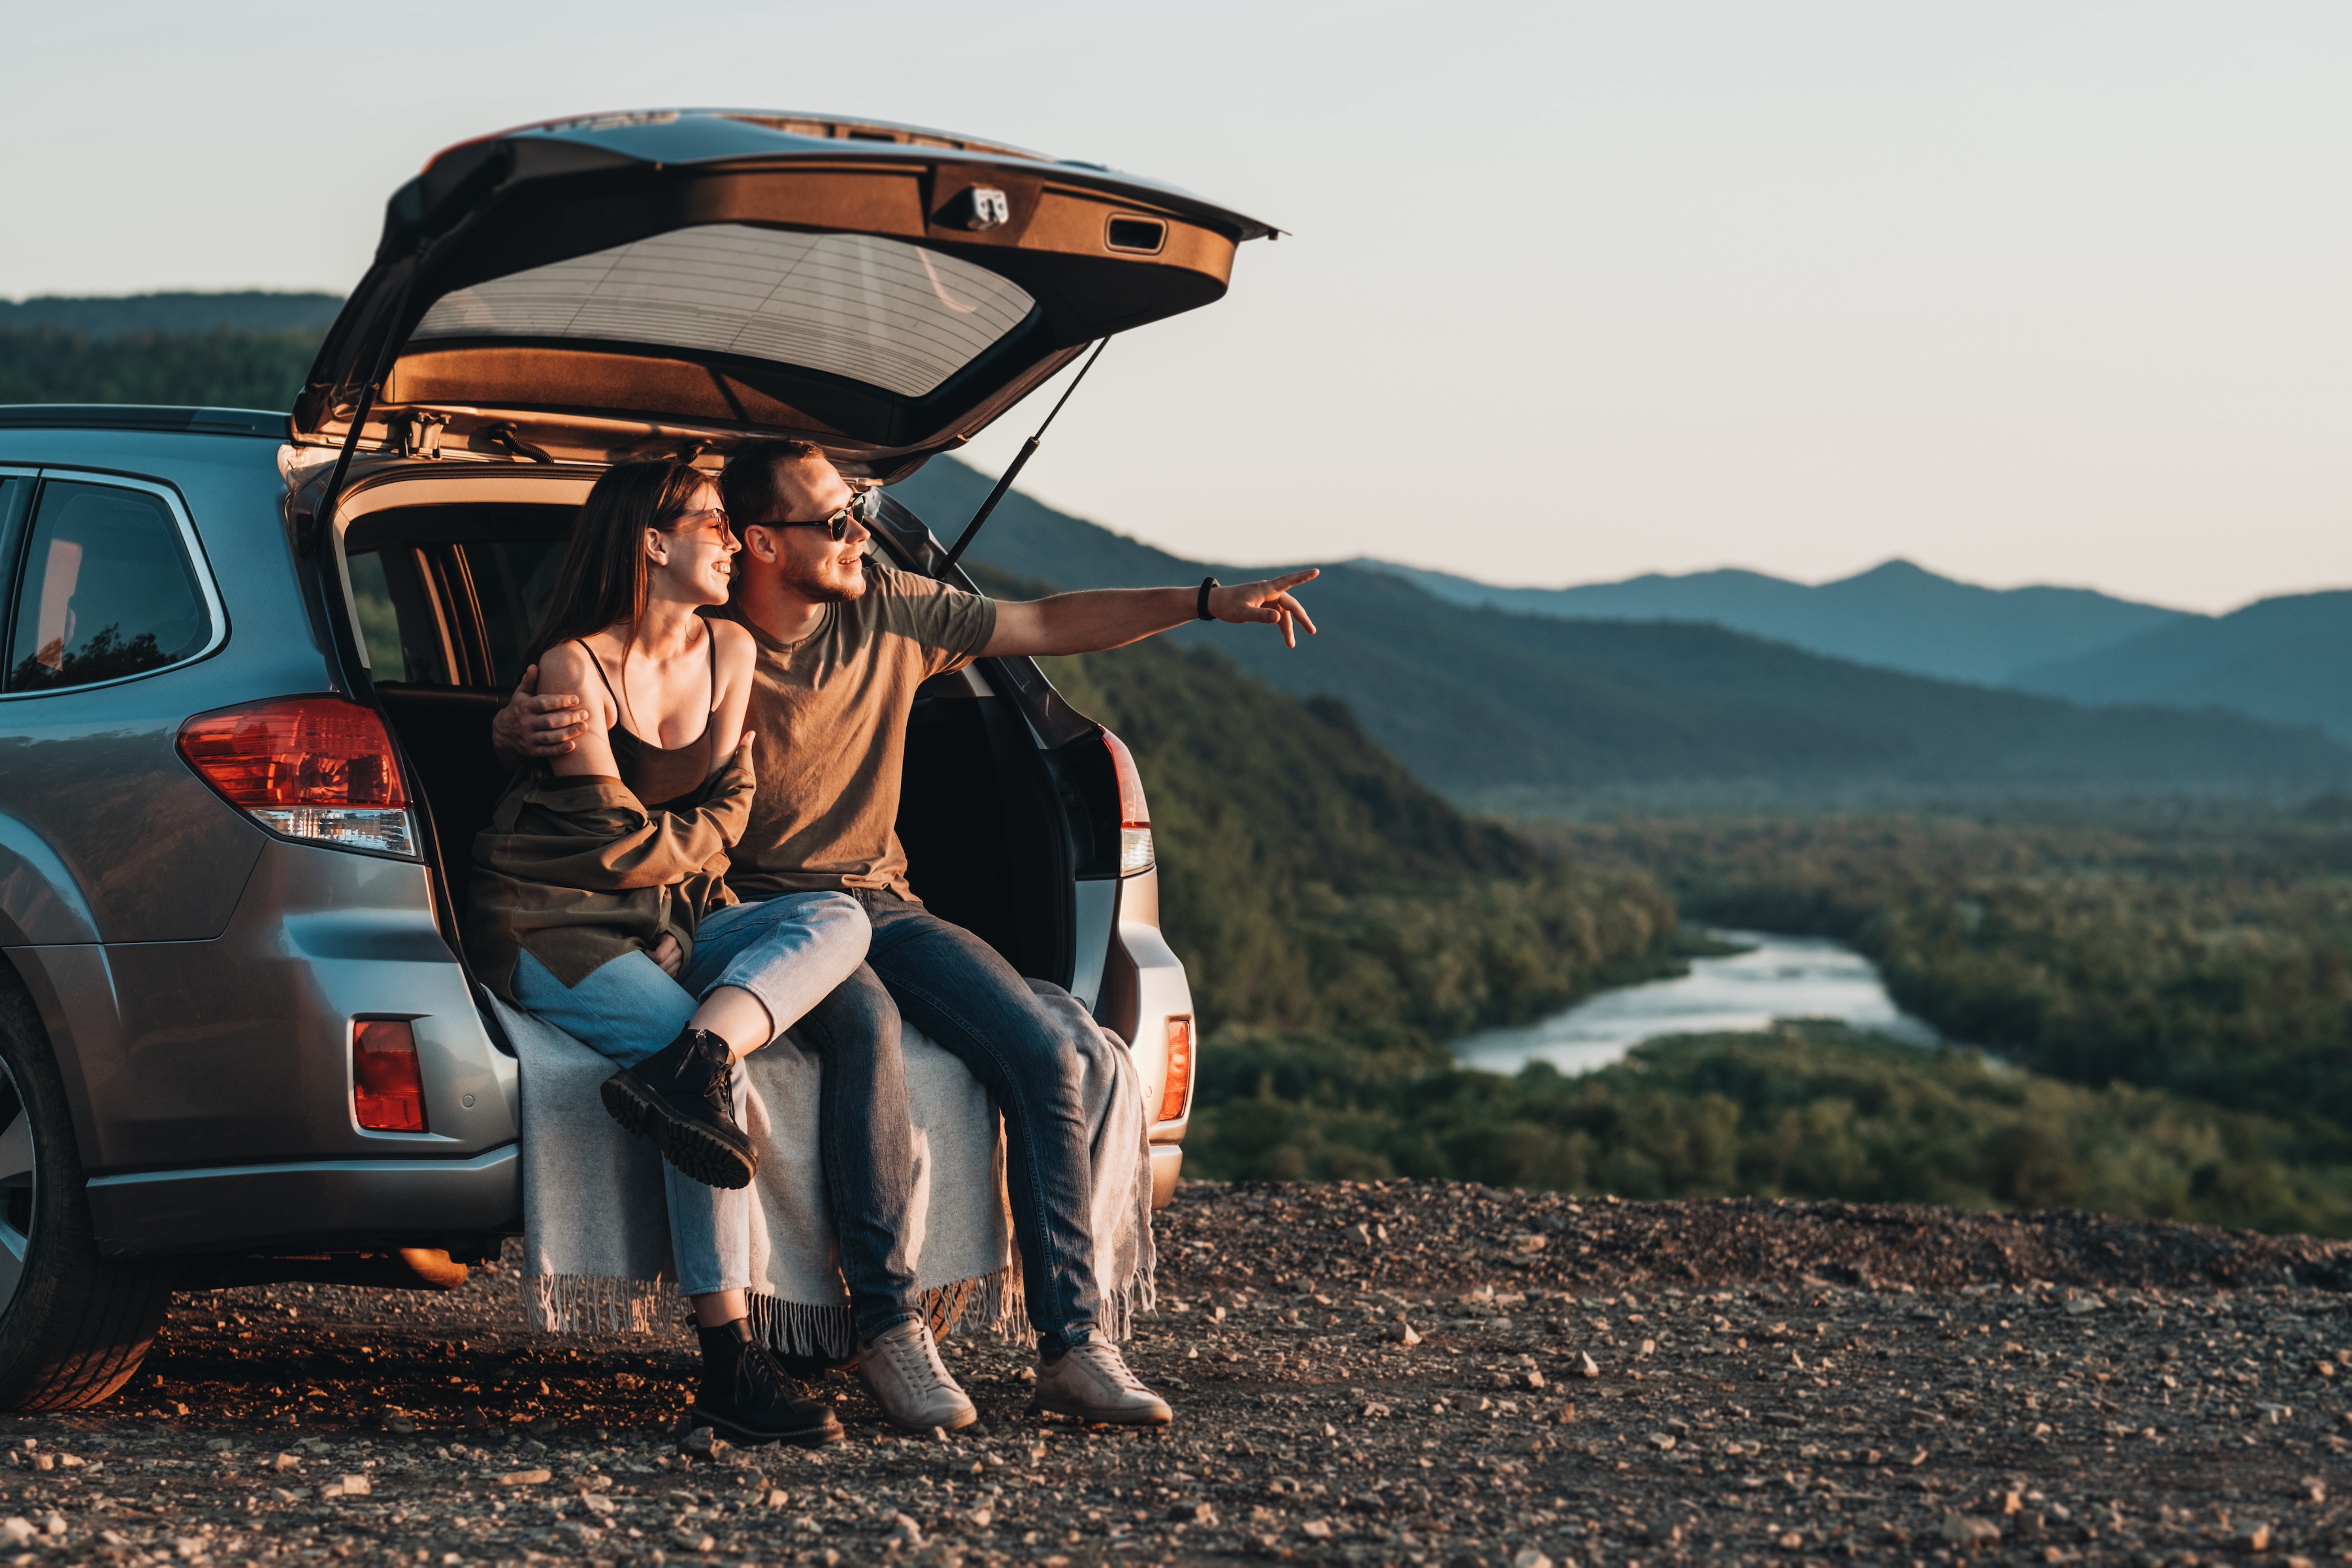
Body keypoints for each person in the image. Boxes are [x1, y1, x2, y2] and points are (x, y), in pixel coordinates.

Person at [493, 439, 1317, 1433]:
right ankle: (889, 1328)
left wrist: (1206, 600)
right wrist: (515, 724)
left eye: (858, 514)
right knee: (866, 1032)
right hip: (749, 913)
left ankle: (1074, 1341)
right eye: (834, 520)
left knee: (1048, 1044)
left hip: (878, 900)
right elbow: (614, 717)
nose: (859, 534)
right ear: (757, 541)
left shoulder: (885, 609)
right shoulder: (706, 626)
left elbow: (1046, 622)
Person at [468, 457, 872, 1447]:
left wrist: (681, 929)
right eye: (713, 523)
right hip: (548, 919)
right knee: (718, 1109)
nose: (734, 540)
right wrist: (680, 873)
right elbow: (613, 841)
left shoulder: (731, 650)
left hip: (662, 917)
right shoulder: (573, 667)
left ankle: (697, 1057)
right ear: (652, 541)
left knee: (839, 921)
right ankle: (733, 1368)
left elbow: (727, 822)